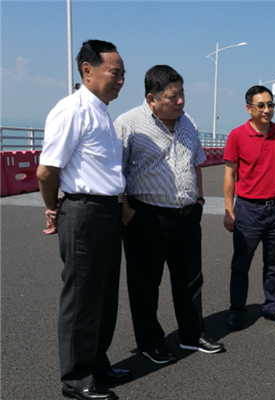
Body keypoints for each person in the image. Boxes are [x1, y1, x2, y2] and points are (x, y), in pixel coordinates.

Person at [37, 40, 129, 400]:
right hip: (84, 211)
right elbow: (47, 171)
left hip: (107, 211)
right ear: (87, 70)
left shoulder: (101, 112)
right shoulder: (72, 110)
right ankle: (76, 378)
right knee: (82, 297)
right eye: (115, 73)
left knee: (104, 294)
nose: (121, 80)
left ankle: (97, 362)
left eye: (123, 74)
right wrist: (53, 207)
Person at [114, 65, 223, 365]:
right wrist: (128, 215)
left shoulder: (188, 122)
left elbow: (196, 162)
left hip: (187, 216)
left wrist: (199, 201)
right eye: (173, 96)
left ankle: (192, 334)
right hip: (146, 217)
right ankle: (150, 342)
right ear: (152, 98)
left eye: (182, 93)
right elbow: (113, 173)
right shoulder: (128, 124)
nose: (180, 101)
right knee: (145, 286)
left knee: (190, 281)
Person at [223, 85, 275, 331]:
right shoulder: (237, 135)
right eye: (261, 105)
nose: (267, 110)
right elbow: (229, 175)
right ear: (249, 108)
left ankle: (273, 306)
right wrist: (228, 210)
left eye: (270, 105)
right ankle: (237, 310)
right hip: (248, 210)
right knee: (241, 264)